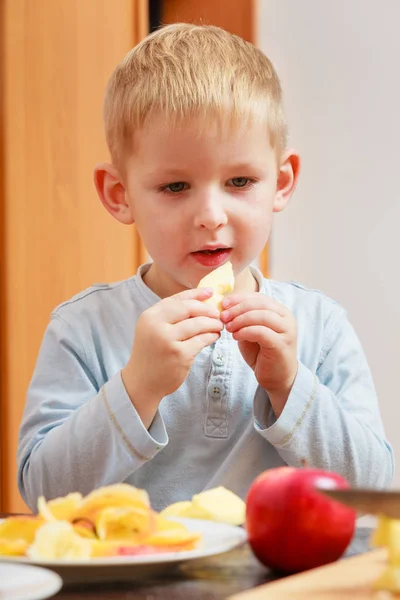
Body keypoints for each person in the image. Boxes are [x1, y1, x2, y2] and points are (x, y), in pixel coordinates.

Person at [17, 23, 393, 512]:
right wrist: (138, 386)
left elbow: (372, 490)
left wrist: (289, 385)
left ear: (281, 182)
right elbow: (41, 492)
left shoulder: (319, 326)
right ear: (120, 194)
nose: (211, 216)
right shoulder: (82, 329)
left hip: (277, 586)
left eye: (239, 181)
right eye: (175, 187)